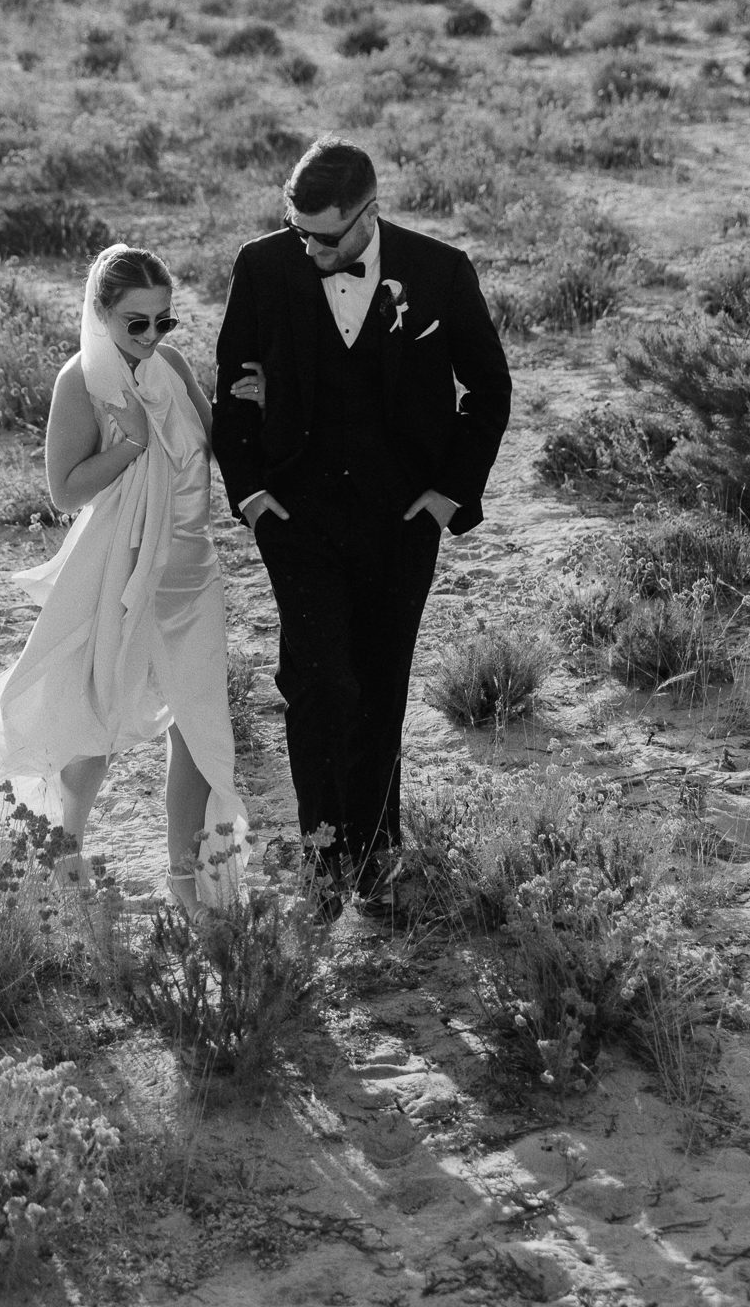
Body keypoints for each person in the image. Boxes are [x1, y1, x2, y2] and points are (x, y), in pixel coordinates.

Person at [211, 137, 511, 925]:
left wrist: (448, 495)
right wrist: (251, 494)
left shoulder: (441, 271)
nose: (309, 249)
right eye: (298, 230)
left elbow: (489, 388)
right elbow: (230, 382)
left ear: (369, 215)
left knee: (380, 685)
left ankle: (377, 855)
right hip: (296, 518)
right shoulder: (263, 266)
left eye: (325, 236)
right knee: (316, 682)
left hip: (402, 520)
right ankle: (321, 855)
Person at [0, 244, 259, 928]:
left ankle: (186, 879)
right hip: (120, 573)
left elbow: (214, 444)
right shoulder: (81, 381)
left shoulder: (173, 366)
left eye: (165, 320)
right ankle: (65, 853)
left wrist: (251, 409)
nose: (153, 335)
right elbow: (65, 491)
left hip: (192, 574)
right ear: (102, 313)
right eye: (138, 323)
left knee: (198, 728)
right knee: (92, 721)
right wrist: (129, 444)